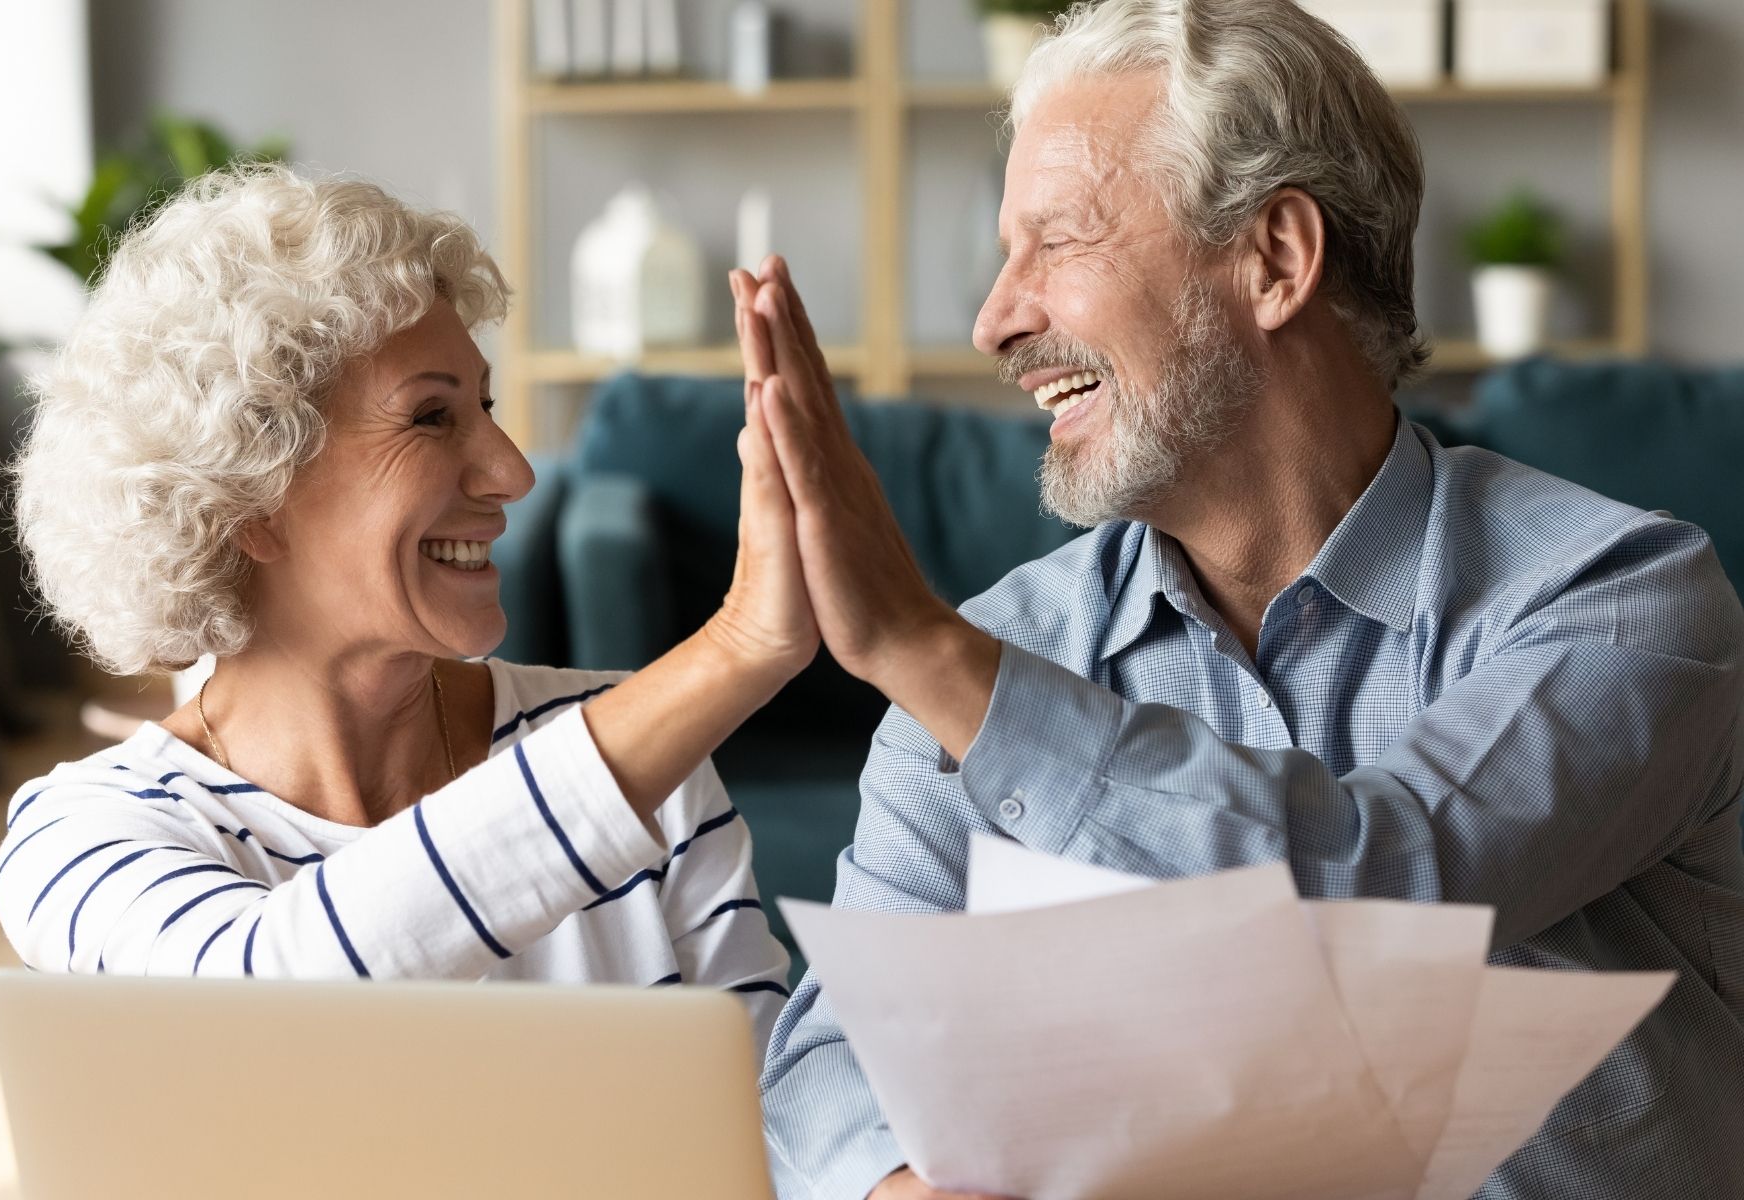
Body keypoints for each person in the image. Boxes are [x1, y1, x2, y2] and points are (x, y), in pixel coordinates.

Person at [739, 1, 1744, 1197]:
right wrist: (904, 1185)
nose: (996, 320)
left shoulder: (1623, 599)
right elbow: (828, 1055)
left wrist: (920, 649)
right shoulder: (1002, 651)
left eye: (1055, 243)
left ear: (1275, 260)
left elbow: (1391, 888)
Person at [0, 165, 813, 1058]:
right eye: (430, 417)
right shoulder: (83, 835)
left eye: (486, 406)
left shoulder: (647, 763)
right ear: (249, 498)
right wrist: (737, 648)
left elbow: (765, 1111)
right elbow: (263, 1005)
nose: (513, 473)